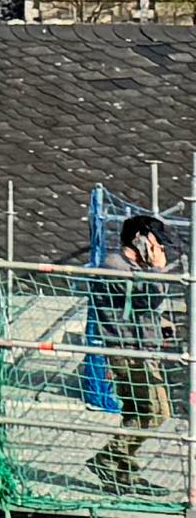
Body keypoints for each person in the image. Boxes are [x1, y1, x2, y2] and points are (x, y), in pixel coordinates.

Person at [97, 211, 178, 493]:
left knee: (137, 412)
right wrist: (158, 269)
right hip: (128, 353)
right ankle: (107, 458)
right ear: (139, 239)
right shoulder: (113, 266)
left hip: (143, 350)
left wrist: (163, 325)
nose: (161, 250)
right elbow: (150, 293)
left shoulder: (136, 267)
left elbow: (149, 305)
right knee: (156, 412)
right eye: (157, 243)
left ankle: (123, 474)